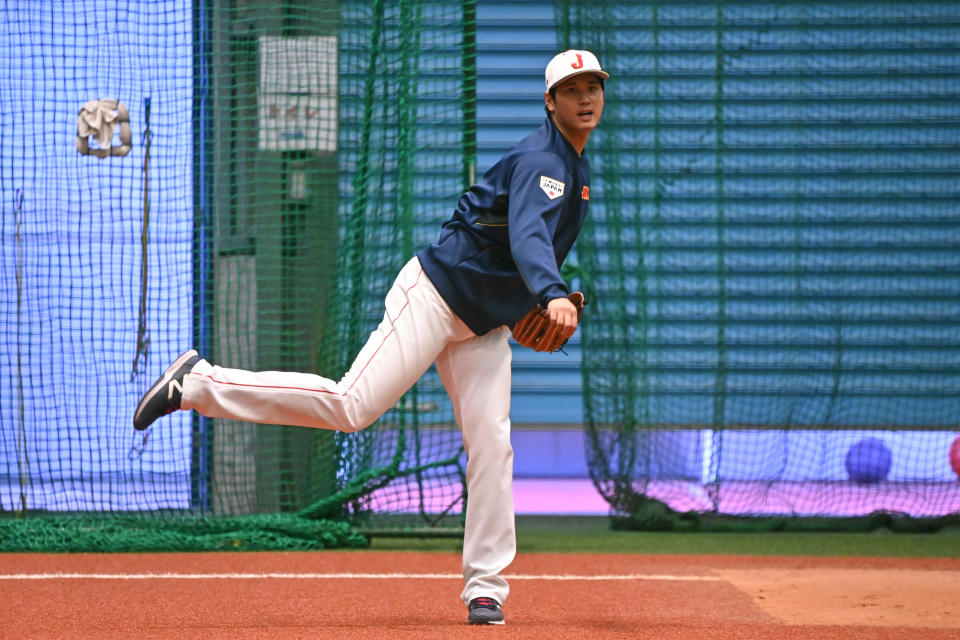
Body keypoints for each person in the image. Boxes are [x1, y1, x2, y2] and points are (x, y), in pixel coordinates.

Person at [134, 49, 608, 626]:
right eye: (573, 88)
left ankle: (486, 588)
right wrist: (552, 292)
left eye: (594, 86)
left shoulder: (573, 168)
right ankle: (198, 383)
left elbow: (520, 243)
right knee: (351, 405)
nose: (586, 97)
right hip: (435, 295)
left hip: (482, 323)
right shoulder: (545, 162)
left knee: (493, 444)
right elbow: (529, 233)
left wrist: (535, 296)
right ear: (549, 100)